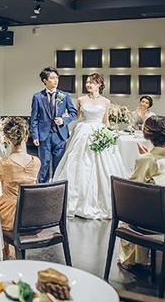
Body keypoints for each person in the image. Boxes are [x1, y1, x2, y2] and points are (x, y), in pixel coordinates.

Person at [53, 73, 130, 219]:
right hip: (83, 132)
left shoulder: (106, 102)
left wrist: (109, 136)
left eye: (92, 82)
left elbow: (105, 121)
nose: (88, 85)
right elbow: (75, 115)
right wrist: (64, 118)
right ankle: (76, 200)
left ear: (99, 85)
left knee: (103, 166)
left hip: (99, 132)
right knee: (79, 163)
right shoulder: (81, 100)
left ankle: (102, 200)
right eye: (87, 82)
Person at [119, 116, 165, 268]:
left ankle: (134, 261)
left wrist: (145, 157)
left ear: (149, 135)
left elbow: (133, 190)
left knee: (127, 216)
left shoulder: (146, 160)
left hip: (153, 224)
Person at [0, 117, 40, 231]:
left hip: (11, 216)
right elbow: (15, 170)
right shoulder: (36, 162)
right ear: (25, 138)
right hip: (32, 214)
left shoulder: (3, 164)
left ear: (6, 139)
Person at [30, 67, 78, 183]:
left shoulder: (64, 95)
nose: (56, 80)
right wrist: (35, 135)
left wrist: (64, 120)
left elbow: (74, 113)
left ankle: (57, 188)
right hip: (44, 135)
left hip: (60, 135)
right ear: (45, 80)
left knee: (59, 165)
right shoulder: (37, 97)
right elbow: (34, 118)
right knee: (44, 165)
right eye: (52, 78)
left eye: (57, 78)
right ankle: (42, 188)